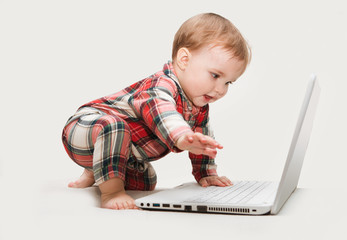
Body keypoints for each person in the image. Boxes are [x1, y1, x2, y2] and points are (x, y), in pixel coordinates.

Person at [62, 12, 251, 210]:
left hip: (119, 149)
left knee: (147, 181)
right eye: (215, 75)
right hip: (85, 126)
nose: (221, 89)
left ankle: (96, 169)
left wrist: (207, 174)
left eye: (228, 82)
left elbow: (202, 142)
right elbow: (163, 112)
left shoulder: (199, 106)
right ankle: (111, 192)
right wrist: (182, 136)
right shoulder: (161, 85)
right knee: (114, 127)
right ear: (184, 60)